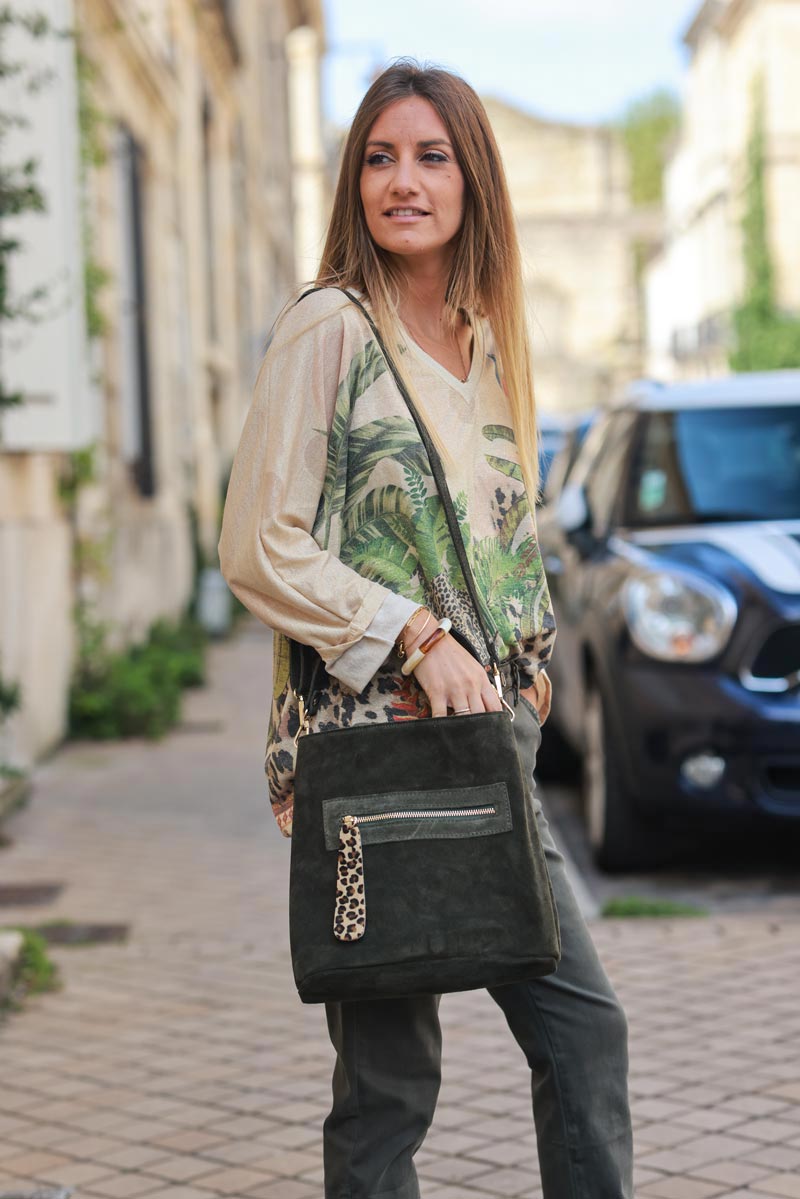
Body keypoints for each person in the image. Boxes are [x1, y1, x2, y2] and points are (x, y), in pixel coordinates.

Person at [219, 59, 633, 1199]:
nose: (402, 181)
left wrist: (529, 670)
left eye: (431, 156)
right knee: (389, 1088)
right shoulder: (327, 331)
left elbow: (506, 541)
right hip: (375, 758)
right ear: (354, 180)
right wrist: (409, 633)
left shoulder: (485, 342)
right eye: (378, 157)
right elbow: (258, 538)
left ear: (471, 179)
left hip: (489, 750)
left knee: (583, 1032)